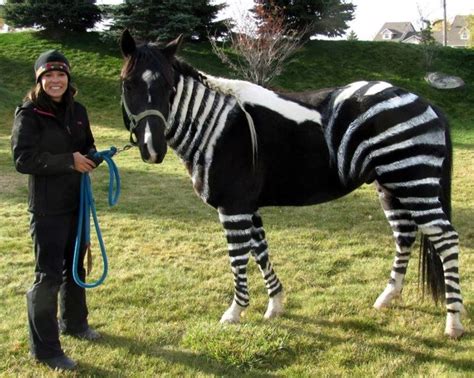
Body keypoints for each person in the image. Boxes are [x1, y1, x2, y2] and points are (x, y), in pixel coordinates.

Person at [11, 50, 102, 371]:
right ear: (39, 79)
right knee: (47, 276)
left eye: (60, 75)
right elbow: (23, 159)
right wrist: (68, 161)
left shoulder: (78, 111)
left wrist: (93, 155)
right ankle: (47, 350)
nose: (55, 81)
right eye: (48, 75)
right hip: (48, 208)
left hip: (76, 201)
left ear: (68, 78)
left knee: (74, 267)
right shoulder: (30, 114)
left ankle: (75, 324)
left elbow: (86, 144)